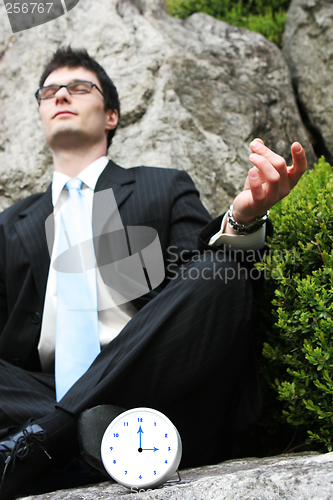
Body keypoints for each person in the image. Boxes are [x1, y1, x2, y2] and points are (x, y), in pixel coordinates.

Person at [0, 46, 308, 499]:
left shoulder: (161, 185)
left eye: (79, 87)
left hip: (160, 385)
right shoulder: (11, 224)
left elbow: (196, 289)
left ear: (111, 116)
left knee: (221, 272)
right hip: (41, 390)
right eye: (49, 91)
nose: (62, 95)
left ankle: (49, 438)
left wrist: (241, 221)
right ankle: (82, 436)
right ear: (42, 113)